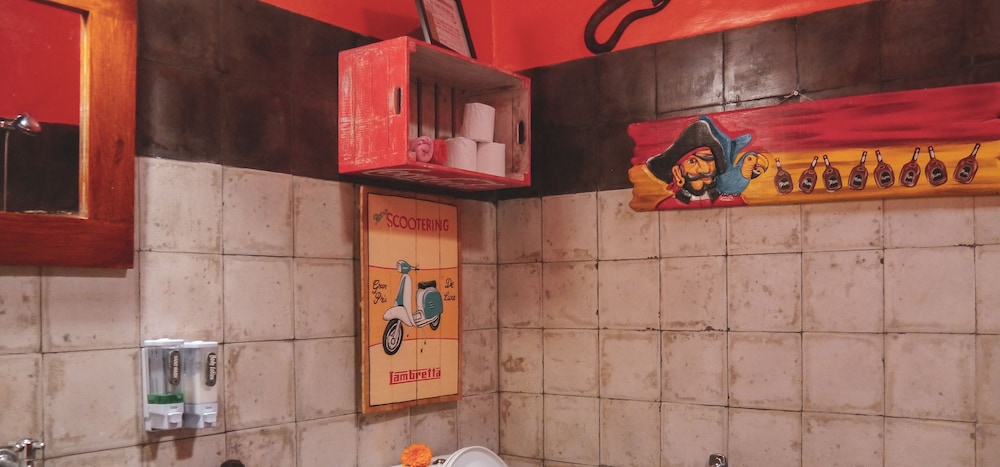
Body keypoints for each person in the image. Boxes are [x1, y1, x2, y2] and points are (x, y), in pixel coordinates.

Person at [645, 118, 746, 209]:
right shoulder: (666, 205)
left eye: (709, 159)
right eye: (692, 161)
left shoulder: (735, 201)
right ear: (677, 172)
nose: (706, 169)